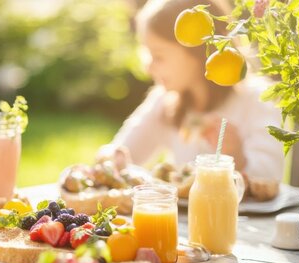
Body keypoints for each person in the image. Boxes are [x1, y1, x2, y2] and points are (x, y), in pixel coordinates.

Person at [101, 0, 284, 181]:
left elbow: (271, 177)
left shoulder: (256, 99)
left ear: (197, 52)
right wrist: (110, 159)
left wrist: (239, 159)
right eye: (147, 54)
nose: (148, 68)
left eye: (158, 56)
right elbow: (122, 151)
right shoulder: (166, 100)